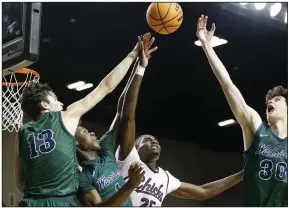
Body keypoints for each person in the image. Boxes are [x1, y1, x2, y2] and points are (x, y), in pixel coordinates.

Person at [14, 35, 146, 207]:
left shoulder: (22, 133)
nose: (61, 103)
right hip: (61, 201)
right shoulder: (66, 116)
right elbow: (105, 86)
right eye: (55, 99)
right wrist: (133, 54)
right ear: (45, 105)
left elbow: (19, 183)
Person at [114, 35, 243, 207]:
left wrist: (242, 174)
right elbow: (128, 117)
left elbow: (203, 192)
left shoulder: (165, 178)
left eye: (155, 140)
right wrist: (140, 69)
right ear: (135, 148)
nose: (153, 142)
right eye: (146, 140)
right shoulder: (129, 160)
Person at [196, 15, 288, 207]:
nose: (271, 101)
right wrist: (207, 46)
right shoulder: (256, 128)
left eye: (277, 99)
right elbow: (228, 85)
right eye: (269, 101)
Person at [76, 34, 158, 206]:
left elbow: (123, 112)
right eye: (84, 132)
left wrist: (140, 67)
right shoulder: (83, 178)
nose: (92, 132)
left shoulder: (105, 151)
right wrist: (130, 185)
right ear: (76, 144)